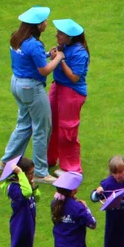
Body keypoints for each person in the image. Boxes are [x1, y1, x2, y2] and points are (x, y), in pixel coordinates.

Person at [0, 6, 63, 181]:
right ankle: (41, 172)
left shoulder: (17, 37)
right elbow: (43, 70)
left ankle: (6, 162)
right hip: (31, 88)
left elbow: (29, 58)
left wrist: (48, 54)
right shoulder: (34, 44)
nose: (46, 23)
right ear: (37, 25)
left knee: (24, 124)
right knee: (42, 128)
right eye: (44, 21)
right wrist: (57, 58)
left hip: (17, 84)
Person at [47, 18, 90, 175]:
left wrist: (60, 60)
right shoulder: (63, 47)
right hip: (58, 87)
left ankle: (70, 167)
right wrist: (55, 55)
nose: (57, 34)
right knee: (50, 123)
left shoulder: (80, 53)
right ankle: (50, 158)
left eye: (60, 33)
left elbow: (74, 78)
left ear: (70, 37)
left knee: (67, 129)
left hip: (71, 93)